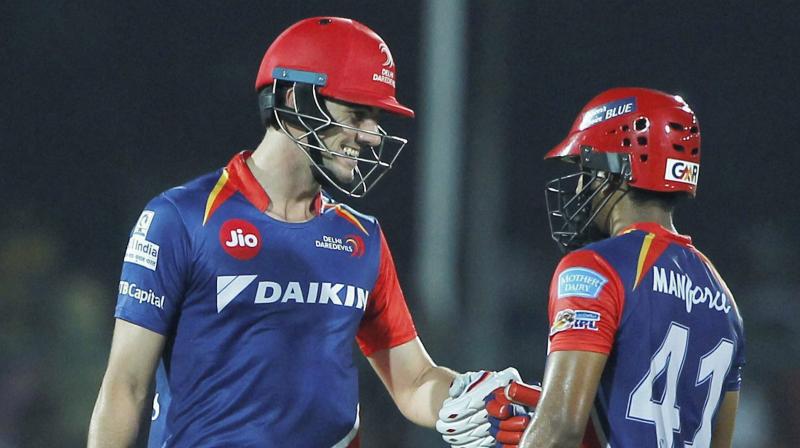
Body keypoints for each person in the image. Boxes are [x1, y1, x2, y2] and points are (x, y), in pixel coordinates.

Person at [87, 17, 519, 447]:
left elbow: (413, 381)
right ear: (294, 99)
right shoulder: (179, 219)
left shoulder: (362, 239)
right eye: (357, 113)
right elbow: (125, 387)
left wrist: (464, 396)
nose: (372, 136)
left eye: (377, 118)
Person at [485, 88, 745, 448]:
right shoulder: (724, 300)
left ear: (618, 171)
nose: (579, 185)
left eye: (585, 169)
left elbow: (560, 427)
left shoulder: (594, 268)